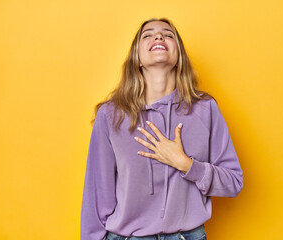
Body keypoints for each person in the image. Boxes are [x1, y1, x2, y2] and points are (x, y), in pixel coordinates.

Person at [81, 17, 244, 240]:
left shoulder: (206, 109)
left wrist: (185, 164)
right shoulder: (111, 115)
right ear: (137, 59)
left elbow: (233, 182)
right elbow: (97, 196)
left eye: (168, 35)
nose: (159, 36)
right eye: (148, 35)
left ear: (179, 58)